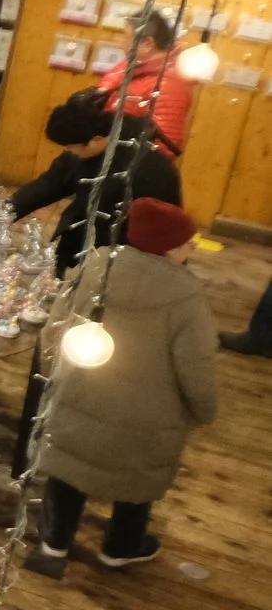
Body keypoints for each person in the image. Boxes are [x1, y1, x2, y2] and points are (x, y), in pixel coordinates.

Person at [29, 198, 218, 575]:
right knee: (137, 482)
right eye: (186, 242)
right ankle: (122, 546)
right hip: (149, 414)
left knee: (69, 467)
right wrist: (204, 409)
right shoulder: (185, 297)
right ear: (166, 247)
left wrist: (56, 373)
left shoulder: (95, 265)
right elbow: (196, 365)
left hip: (81, 390)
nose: (193, 247)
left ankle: (53, 544)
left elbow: (56, 326)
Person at [10, 96, 183, 276]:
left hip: (124, 257)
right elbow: (48, 185)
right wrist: (7, 210)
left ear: (97, 140)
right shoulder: (82, 148)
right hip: (77, 244)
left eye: (70, 147)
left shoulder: (152, 167)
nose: (67, 151)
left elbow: (168, 224)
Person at [96, 9, 196, 157]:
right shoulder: (136, 67)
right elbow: (108, 86)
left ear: (148, 43)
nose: (122, 43)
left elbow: (163, 148)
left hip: (125, 172)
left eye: (127, 38)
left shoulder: (167, 88)